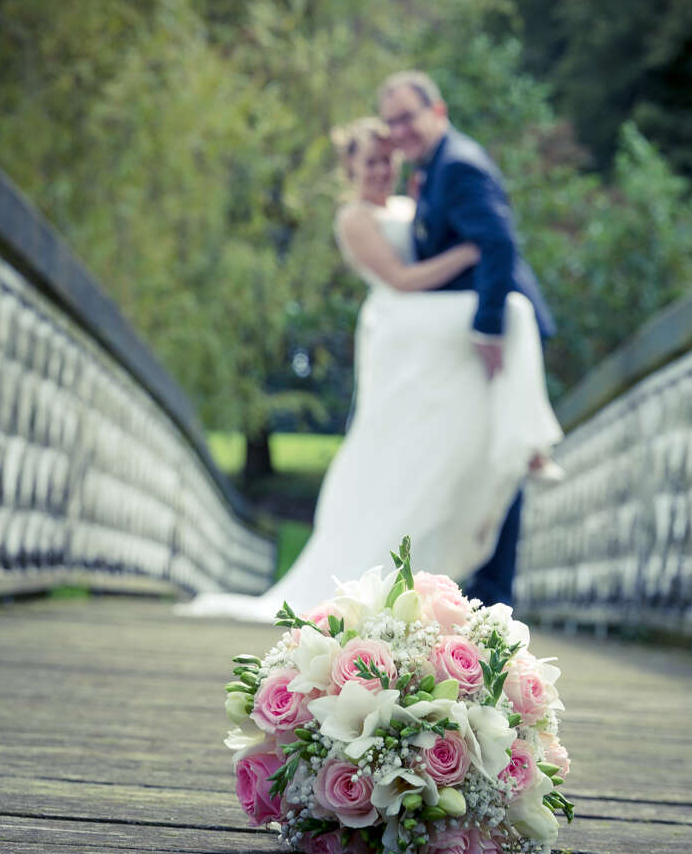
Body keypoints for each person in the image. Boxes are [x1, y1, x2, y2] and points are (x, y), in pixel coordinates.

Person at [175, 116, 560, 622]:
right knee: (514, 314)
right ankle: (532, 442)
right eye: (370, 162)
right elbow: (401, 278)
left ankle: (521, 444)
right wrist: (472, 249)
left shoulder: (409, 206)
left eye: (387, 160)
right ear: (350, 168)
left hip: (425, 329)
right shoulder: (354, 218)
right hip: (404, 319)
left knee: (503, 333)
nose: (381, 170)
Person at [378, 71, 560, 606]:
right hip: (475, 341)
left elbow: (498, 242)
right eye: (391, 122)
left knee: (500, 458)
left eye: (408, 116)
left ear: (438, 110)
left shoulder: (458, 164)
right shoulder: (433, 168)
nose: (399, 130)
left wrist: (487, 327)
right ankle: (480, 592)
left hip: (496, 338)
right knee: (478, 457)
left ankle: (494, 596)